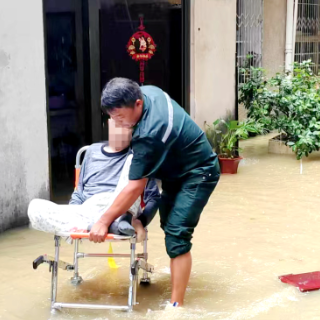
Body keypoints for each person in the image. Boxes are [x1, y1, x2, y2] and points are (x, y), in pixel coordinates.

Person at [89, 78, 220, 307]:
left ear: (137, 104)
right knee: (168, 224)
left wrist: (103, 220)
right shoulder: (148, 91)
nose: (115, 122)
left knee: (177, 234)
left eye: (120, 117)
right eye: (111, 116)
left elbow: (135, 187)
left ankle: (176, 306)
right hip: (175, 171)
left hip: (198, 172)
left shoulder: (149, 133)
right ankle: (177, 279)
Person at [28, 119, 160, 242]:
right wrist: (74, 215)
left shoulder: (138, 156)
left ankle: (119, 222)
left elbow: (153, 198)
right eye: (118, 124)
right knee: (34, 208)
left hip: (120, 208)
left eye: (127, 126)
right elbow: (79, 192)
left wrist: (140, 221)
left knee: (134, 160)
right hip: (89, 212)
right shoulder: (92, 151)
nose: (122, 130)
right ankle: (101, 226)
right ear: (109, 123)